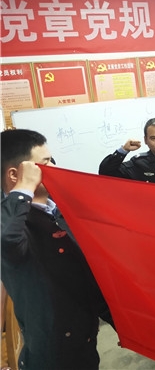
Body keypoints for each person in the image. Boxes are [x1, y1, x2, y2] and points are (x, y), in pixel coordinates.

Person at [1, 129, 113, 370]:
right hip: (51, 355)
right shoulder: (12, 222)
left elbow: (84, 275)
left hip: (85, 341)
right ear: (15, 174)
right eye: (45, 163)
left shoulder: (59, 212)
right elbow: (7, 241)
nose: (54, 167)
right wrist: (24, 188)